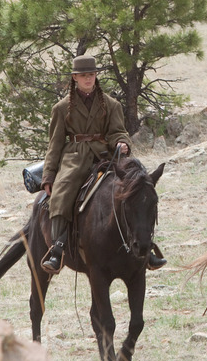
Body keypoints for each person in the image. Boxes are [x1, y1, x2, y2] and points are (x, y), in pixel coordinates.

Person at [41, 55, 167, 273]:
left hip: (106, 156)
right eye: (83, 75)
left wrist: (122, 142)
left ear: (95, 76)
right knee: (63, 194)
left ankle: (147, 249)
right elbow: (55, 145)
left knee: (138, 192)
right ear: (74, 78)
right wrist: (49, 176)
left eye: (91, 74)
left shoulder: (111, 104)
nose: (88, 79)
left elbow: (118, 131)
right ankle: (57, 249)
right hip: (75, 158)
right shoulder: (61, 108)